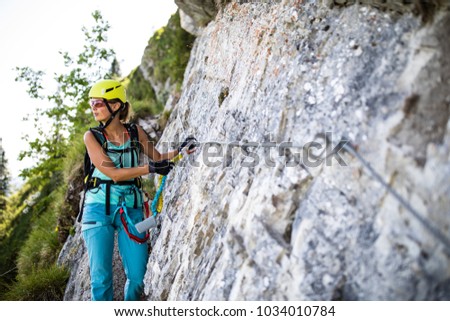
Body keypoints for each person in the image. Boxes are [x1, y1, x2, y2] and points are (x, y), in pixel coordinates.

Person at [81, 79, 196, 301]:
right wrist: (150, 168)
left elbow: (158, 157)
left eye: (98, 103)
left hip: (132, 207)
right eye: (91, 104)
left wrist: (180, 150)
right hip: (97, 209)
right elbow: (113, 173)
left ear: (115, 105)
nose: (93, 108)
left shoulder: (135, 133)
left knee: (138, 276)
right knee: (101, 279)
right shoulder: (92, 137)